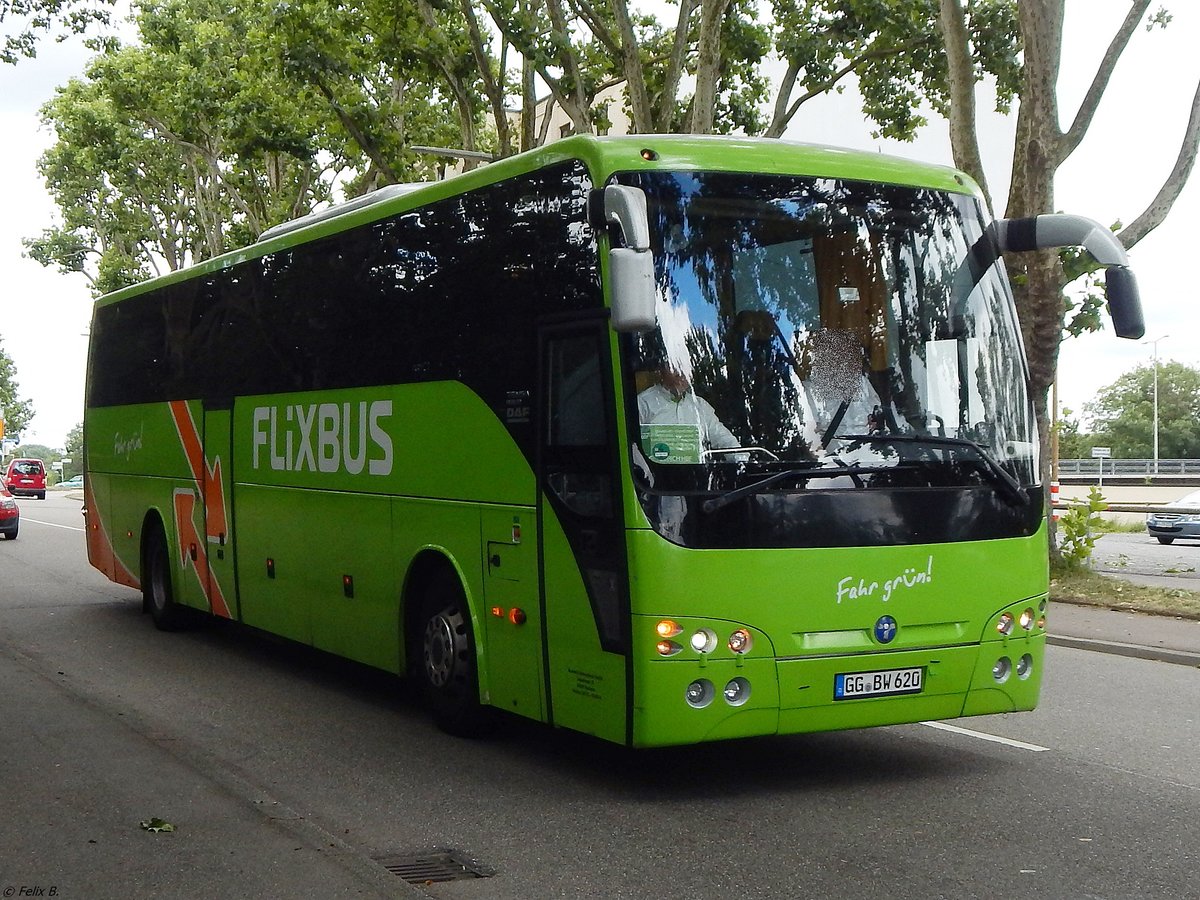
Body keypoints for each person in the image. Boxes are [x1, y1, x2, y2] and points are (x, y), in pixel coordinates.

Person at [637, 365, 741, 458]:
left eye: (684, 366)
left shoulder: (700, 405)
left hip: (698, 476)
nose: (680, 373)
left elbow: (723, 438)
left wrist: (741, 460)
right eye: (674, 366)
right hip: (656, 476)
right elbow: (632, 446)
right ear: (661, 371)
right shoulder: (643, 402)